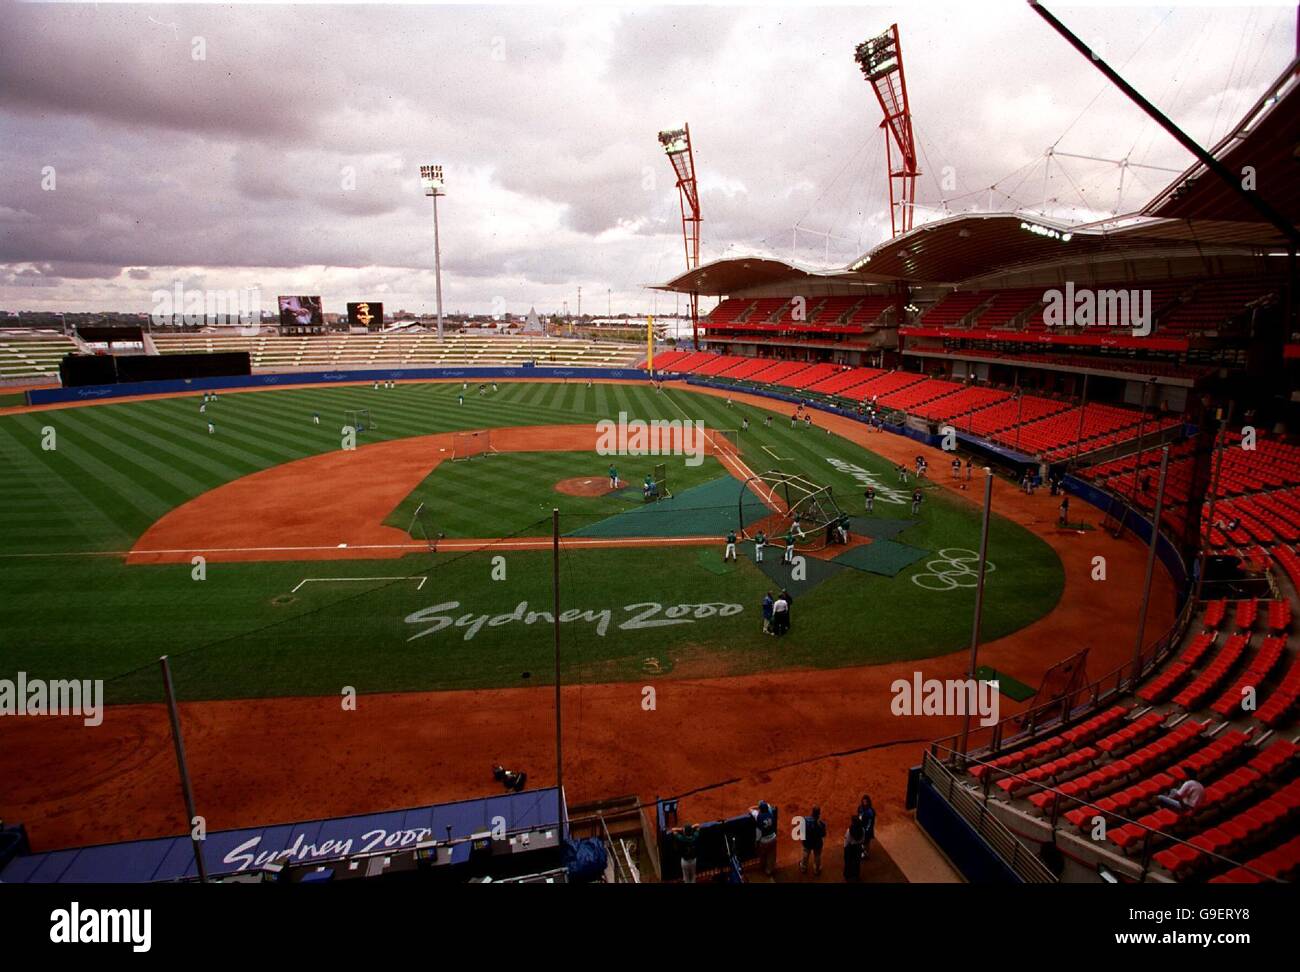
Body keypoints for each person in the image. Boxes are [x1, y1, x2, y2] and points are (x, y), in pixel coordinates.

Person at [800, 806, 827, 877]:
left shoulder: (805, 820)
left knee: (805, 854)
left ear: (812, 812)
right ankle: (816, 870)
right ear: (819, 814)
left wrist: (803, 839)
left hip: (807, 841)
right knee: (817, 856)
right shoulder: (822, 824)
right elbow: (823, 835)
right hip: (817, 843)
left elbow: (802, 831)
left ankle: (803, 867)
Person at [753, 802, 778, 877]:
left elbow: (758, 832)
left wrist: (757, 842)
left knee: (762, 855)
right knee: (771, 856)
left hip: (764, 841)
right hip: (773, 838)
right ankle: (769, 871)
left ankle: (762, 868)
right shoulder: (770, 813)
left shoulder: (758, 816)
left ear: (760, 809)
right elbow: (769, 805)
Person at [843, 817, 864, 882]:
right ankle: (856, 876)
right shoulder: (862, 830)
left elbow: (847, 840)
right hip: (858, 848)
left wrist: (845, 847)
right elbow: (862, 840)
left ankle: (847, 876)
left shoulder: (849, 830)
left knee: (848, 862)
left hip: (849, 848)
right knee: (857, 862)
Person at [856, 795, 876, 860]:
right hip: (861, 827)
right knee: (861, 841)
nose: (864, 803)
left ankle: (866, 853)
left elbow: (870, 822)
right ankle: (862, 853)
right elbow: (859, 816)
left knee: (867, 842)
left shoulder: (870, 811)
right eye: (863, 801)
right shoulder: (860, 808)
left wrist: (867, 829)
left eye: (866, 801)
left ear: (868, 802)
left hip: (867, 829)